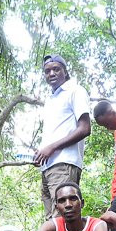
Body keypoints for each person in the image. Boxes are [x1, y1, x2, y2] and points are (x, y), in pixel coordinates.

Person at [35, 54, 91, 216]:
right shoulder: (51, 99)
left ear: (65, 72)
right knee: (51, 219)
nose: (51, 74)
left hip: (64, 163)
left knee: (61, 216)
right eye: (47, 71)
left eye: (56, 69)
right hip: (48, 166)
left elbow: (85, 128)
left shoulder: (75, 91)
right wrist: (41, 153)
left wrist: (51, 148)